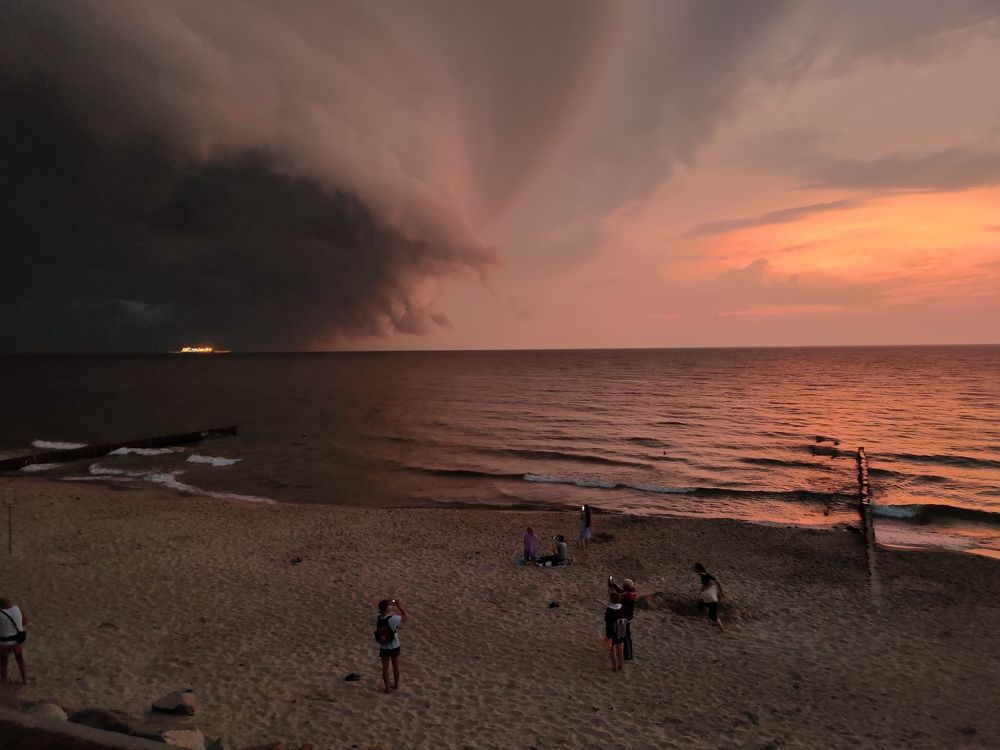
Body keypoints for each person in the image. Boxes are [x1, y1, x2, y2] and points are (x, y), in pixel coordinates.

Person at [373, 598, 408, 693]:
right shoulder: (393, 619)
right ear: (388, 609)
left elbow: (378, 615)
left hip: (383, 646)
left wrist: (385, 604)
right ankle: (396, 685)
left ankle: (387, 688)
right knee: (395, 666)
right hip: (394, 645)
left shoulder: (376, 618)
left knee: (385, 668)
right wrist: (398, 605)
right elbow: (405, 616)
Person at [0, 596, 28, 685]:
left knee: (4, 661)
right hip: (17, 640)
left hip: (4, 641)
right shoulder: (18, 609)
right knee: (20, 660)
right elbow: (25, 622)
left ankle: (4, 680)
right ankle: (24, 679)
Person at [608, 576, 637, 660]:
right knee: (624, 634)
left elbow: (619, 594)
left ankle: (627, 655)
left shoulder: (627, 595)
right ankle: (625, 653)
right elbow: (620, 591)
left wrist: (612, 590)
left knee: (625, 635)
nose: (622, 586)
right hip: (627, 616)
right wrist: (613, 585)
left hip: (625, 617)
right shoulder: (631, 591)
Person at [693, 563, 724, 630]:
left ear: (698, 569)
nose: (694, 570)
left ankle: (721, 628)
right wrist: (720, 592)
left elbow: (710, 583)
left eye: (694, 568)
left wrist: (703, 589)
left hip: (710, 597)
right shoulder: (706, 574)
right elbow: (716, 582)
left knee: (712, 615)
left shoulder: (703, 575)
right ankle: (712, 621)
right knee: (701, 605)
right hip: (712, 597)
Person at [603, 592, 626, 671]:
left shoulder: (610, 609)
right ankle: (621, 665)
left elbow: (607, 621)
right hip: (621, 627)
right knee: (620, 649)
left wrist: (607, 634)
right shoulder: (621, 607)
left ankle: (615, 667)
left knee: (612, 649)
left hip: (612, 630)